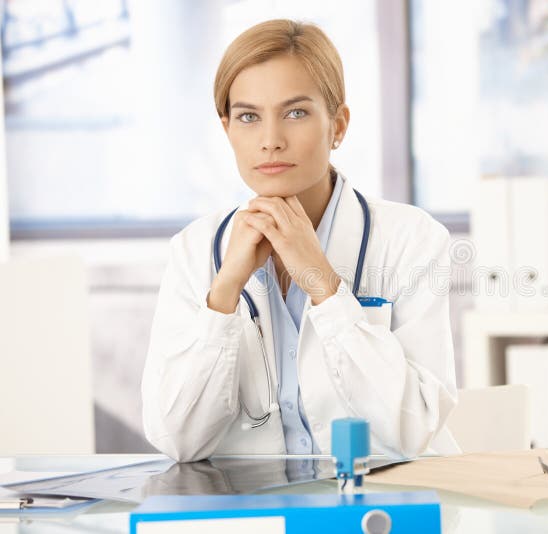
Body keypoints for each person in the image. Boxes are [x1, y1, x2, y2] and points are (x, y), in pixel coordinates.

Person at [141, 19, 459, 462]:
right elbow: (178, 440)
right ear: (227, 129)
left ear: (338, 126)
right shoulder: (195, 251)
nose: (270, 141)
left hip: (383, 511)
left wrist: (324, 285)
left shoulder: (412, 239)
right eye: (249, 117)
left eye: (296, 113)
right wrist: (225, 291)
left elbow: (413, 428)